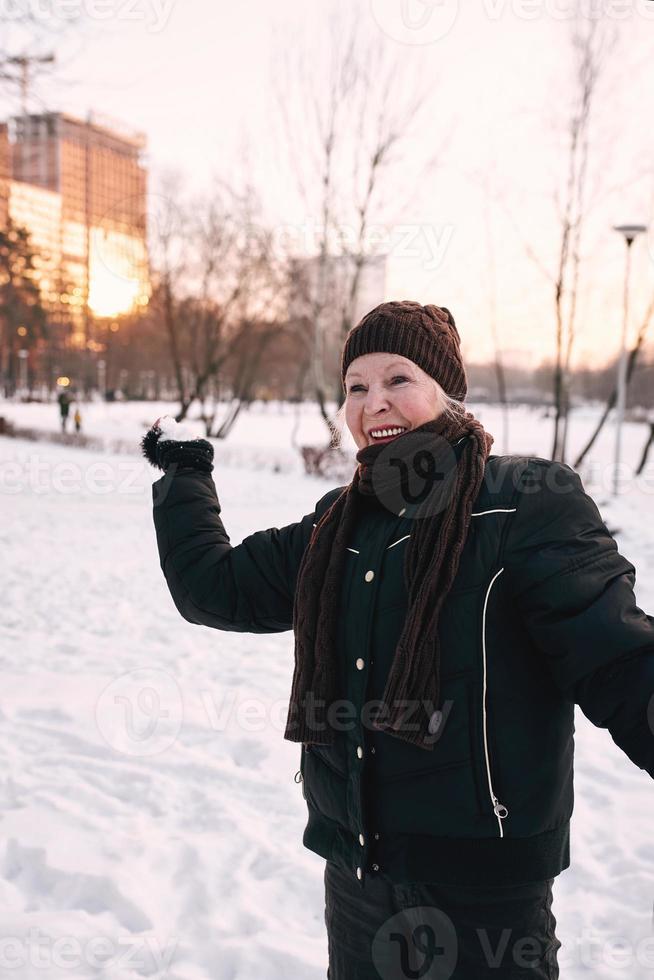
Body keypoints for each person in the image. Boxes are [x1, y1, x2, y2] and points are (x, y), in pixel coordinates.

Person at [142, 301, 654, 979]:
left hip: (483, 894)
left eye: (397, 379)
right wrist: (185, 474)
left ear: (446, 392)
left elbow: (618, 662)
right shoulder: (336, 526)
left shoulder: (524, 504)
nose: (373, 402)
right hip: (359, 877)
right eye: (356, 387)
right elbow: (217, 589)